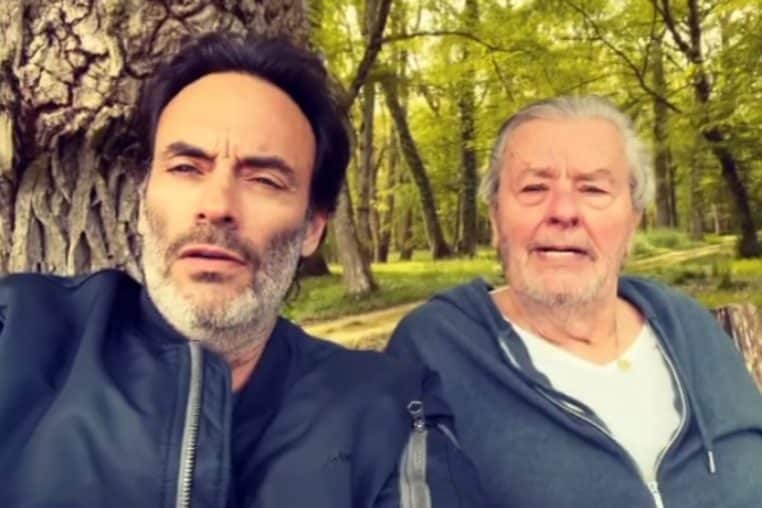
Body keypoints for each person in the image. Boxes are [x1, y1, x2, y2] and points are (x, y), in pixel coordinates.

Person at [0, 33, 484, 508]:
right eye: (186, 168)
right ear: (142, 202)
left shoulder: (392, 410)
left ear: (312, 229)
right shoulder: (17, 330)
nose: (216, 206)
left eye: (264, 180)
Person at [387, 95, 762, 508]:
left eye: (593, 189)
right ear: (495, 218)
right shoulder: (435, 350)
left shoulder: (689, 325)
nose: (564, 211)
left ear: (633, 221)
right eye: (534, 188)